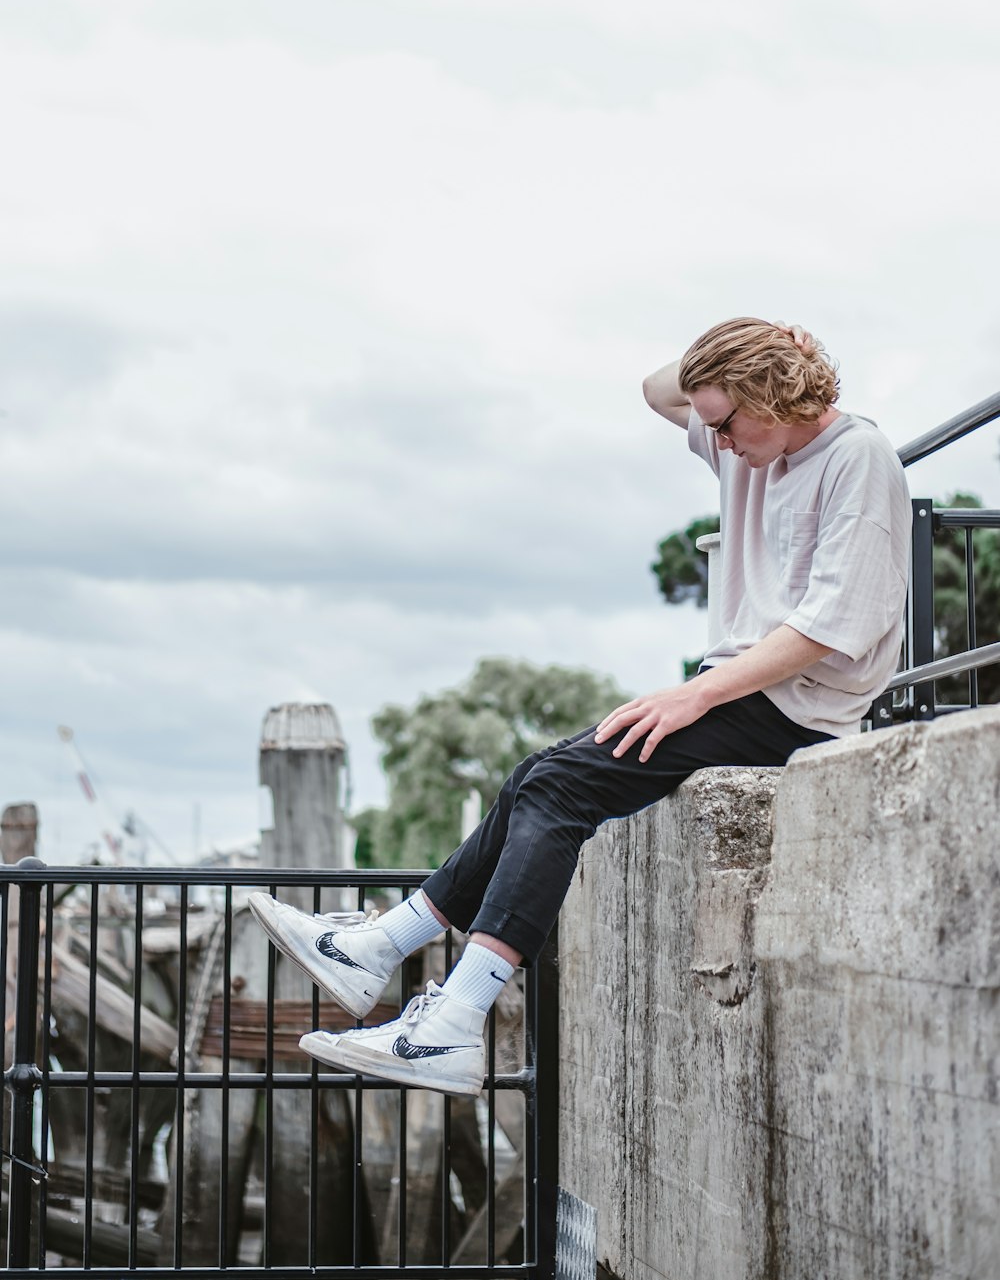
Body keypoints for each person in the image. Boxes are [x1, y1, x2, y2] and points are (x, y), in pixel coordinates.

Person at [249, 316, 911, 1096]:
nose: (720, 443)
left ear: (773, 392)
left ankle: (448, 1022)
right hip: (743, 688)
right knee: (543, 773)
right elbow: (655, 390)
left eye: (727, 422)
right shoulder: (749, 444)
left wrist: (694, 693)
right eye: (713, 426)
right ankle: (386, 952)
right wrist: (757, 341)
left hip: (797, 710)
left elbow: (832, 627)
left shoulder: (856, 459)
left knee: (562, 786)